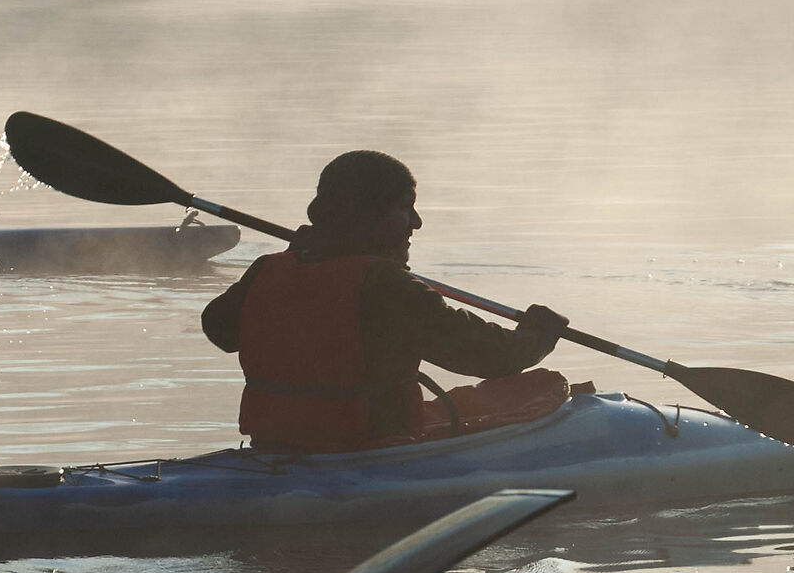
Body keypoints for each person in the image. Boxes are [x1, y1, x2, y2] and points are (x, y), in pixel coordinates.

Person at [201, 150, 570, 453]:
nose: (417, 223)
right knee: (546, 389)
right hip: (373, 452)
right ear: (366, 215)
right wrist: (538, 334)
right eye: (404, 208)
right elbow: (493, 357)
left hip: (274, 448)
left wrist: (299, 256)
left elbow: (218, 330)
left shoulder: (268, 269)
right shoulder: (388, 287)